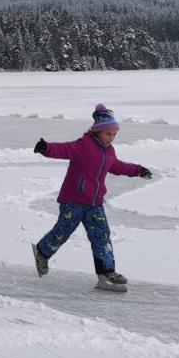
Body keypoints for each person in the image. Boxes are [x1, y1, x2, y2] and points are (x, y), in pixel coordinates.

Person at [31, 104, 152, 292]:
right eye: (108, 134)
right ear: (97, 132)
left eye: (114, 135)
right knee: (63, 231)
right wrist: (46, 148)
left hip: (94, 204)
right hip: (73, 200)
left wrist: (138, 170)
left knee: (101, 236)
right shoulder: (83, 145)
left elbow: (117, 166)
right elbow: (64, 149)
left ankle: (106, 274)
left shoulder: (109, 151)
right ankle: (42, 252)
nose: (111, 138)